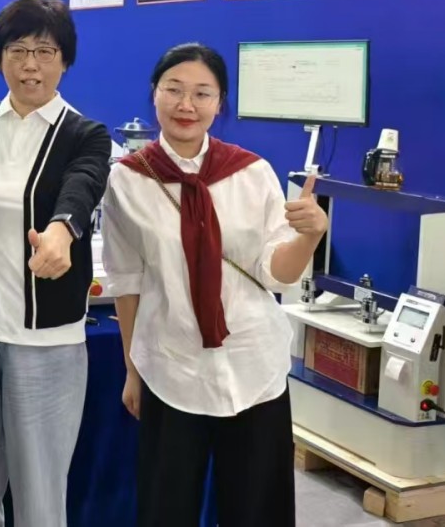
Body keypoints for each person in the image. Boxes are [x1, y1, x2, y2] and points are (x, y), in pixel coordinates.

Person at [101, 43, 327, 527]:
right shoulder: (128, 180)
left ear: (220, 102)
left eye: (202, 93)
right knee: (166, 508)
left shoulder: (251, 172)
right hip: (171, 365)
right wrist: (132, 370)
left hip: (252, 363)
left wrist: (309, 236)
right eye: (174, 90)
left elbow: (277, 273)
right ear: (154, 94)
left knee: (257, 510)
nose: (187, 105)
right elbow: (126, 280)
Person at [0, 0, 111, 527]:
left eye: (45, 51)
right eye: (17, 50)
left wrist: (62, 230)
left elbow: (82, 185)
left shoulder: (85, 134)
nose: (30, 65)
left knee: (39, 493)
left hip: (44, 342)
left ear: (65, 61)